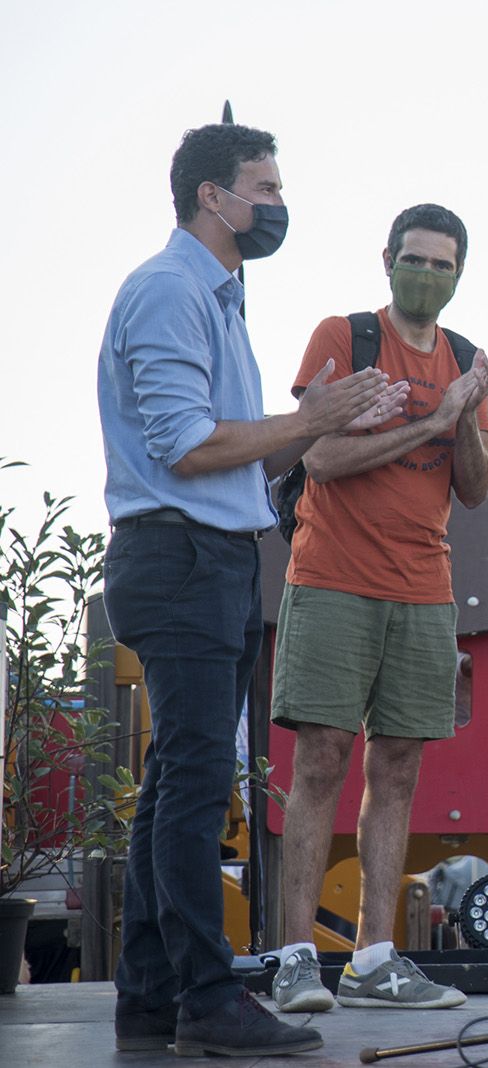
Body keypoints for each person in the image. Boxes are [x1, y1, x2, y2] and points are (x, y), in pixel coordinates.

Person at [99, 123, 404, 1057]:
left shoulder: (219, 299)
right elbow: (187, 444)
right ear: (209, 197)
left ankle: (150, 996)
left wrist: (317, 427)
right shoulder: (169, 291)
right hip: (178, 556)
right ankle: (204, 995)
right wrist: (306, 419)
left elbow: (235, 443)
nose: (277, 203)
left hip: (218, 558)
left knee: (176, 787)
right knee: (192, 789)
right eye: (262, 188)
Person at [268, 203, 488, 1013]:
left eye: (443, 264)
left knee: (398, 768)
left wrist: (464, 419)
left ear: (459, 274)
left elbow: (475, 490)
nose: (428, 274)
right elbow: (322, 456)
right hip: (333, 577)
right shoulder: (345, 338)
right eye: (416, 259)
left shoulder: (466, 359)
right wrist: (430, 423)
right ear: (387, 259)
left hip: (424, 589)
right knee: (321, 761)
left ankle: (375, 958)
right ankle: (297, 957)